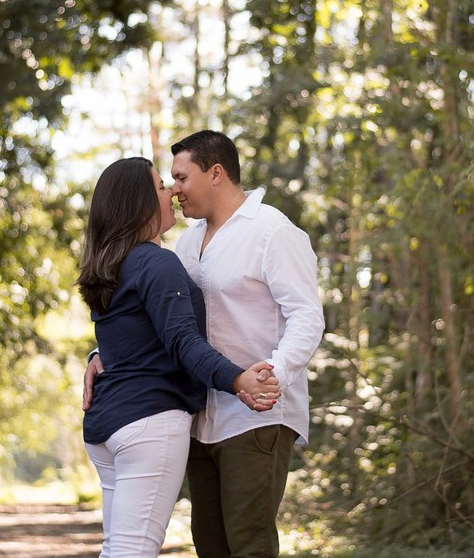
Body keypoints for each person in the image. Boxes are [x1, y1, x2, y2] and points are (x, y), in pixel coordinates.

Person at [84, 131, 325, 558]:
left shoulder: (272, 231)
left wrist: (274, 374)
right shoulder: (187, 243)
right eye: (169, 181)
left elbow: (307, 316)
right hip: (201, 415)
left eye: (180, 178)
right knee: (210, 546)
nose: (174, 191)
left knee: (248, 544)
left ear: (216, 173)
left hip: (256, 414)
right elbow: (162, 321)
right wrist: (104, 354)